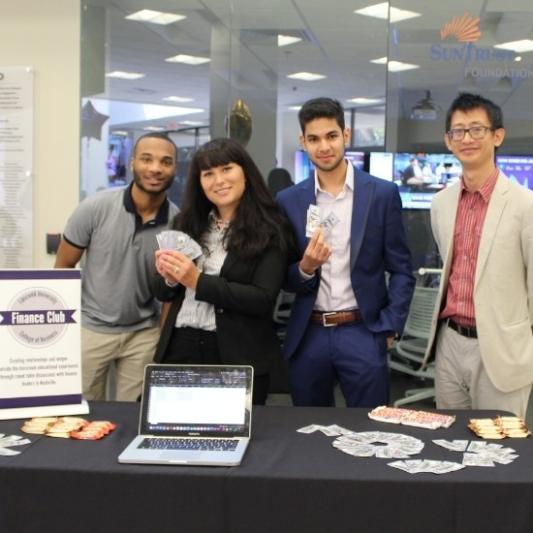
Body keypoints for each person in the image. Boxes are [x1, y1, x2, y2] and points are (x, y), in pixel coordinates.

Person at [277, 97, 415, 407]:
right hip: (309, 333)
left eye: (331, 136)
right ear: (303, 142)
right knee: (309, 430)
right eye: (313, 139)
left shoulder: (381, 194)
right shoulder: (289, 201)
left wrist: (390, 324)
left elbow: (403, 269)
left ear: (346, 135)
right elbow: (283, 276)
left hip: (363, 331)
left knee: (371, 431)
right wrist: (305, 268)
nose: (323, 146)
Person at [152, 137, 293, 405]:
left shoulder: (271, 229)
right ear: (200, 183)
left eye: (226, 169)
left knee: (233, 439)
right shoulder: (186, 222)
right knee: (177, 434)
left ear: (246, 174)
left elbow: (262, 300)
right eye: (208, 174)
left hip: (236, 351)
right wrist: (170, 279)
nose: (218, 181)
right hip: (180, 344)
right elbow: (161, 291)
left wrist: (197, 281)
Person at [424, 92, 533, 418]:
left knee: (501, 451)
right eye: (458, 131)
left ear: (497, 135)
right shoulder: (440, 204)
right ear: (448, 140)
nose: (466, 138)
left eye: (476, 129)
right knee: (449, 443)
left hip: (501, 347)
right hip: (451, 342)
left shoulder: (524, 205)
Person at [55, 132, 179, 401]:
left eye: (165, 162)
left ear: (174, 169)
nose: (156, 168)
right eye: (146, 159)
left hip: (143, 335)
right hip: (90, 330)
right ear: (132, 162)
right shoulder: (94, 208)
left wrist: (162, 336)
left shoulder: (177, 222)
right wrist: (65, 330)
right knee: (81, 414)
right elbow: (63, 265)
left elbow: (172, 289)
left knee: (133, 418)